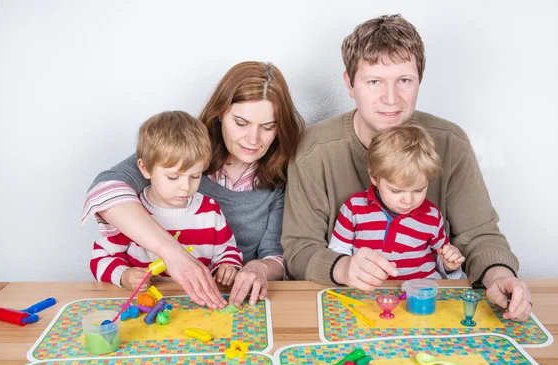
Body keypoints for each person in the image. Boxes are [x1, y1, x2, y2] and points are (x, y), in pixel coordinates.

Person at [282, 14, 533, 321]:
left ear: (419, 80)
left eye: (404, 81)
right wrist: (343, 267)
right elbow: (298, 248)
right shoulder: (314, 150)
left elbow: (479, 234)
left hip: (429, 309)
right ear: (349, 83)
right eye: (374, 82)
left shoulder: (451, 142)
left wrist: (498, 274)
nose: (391, 99)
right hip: (346, 309)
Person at [82, 62, 304, 308]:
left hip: (230, 299)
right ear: (220, 114)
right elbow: (104, 191)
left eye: (267, 127)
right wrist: (174, 255)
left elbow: (276, 252)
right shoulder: (184, 152)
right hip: (165, 295)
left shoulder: (280, 172)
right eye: (241, 123)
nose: (253, 139)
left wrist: (258, 268)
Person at [90, 111, 243, 291]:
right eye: (173, 177)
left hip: (195, 306)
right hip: (146, 306)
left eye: (195, 176)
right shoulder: (133, 212)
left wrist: (227, 267)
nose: (185, 187)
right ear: (145, 168)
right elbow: (100, 257)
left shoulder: (209, 210)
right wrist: (124, 276)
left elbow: (227, 251)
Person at [328, 125, 464, 280]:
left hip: (420, 294)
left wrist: (448, 263)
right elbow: (338, 252)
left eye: (419, 190)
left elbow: (440, 256)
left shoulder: (432, 216)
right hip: (370, 293)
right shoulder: (354, 208)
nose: (408, 201)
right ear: (374, 178)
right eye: (396, 191)